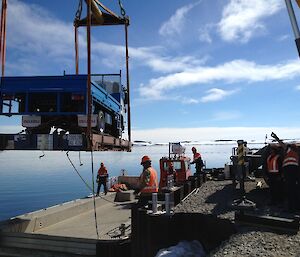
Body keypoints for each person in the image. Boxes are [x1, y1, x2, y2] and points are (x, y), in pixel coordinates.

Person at [282, 144, 300, 212]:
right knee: (294, 190)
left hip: (289, 172)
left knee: (290, 191)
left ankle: (292, 207)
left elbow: (283, 145)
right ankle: (295, 206)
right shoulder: (295, 154)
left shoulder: (290, 153)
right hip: (293, 172)